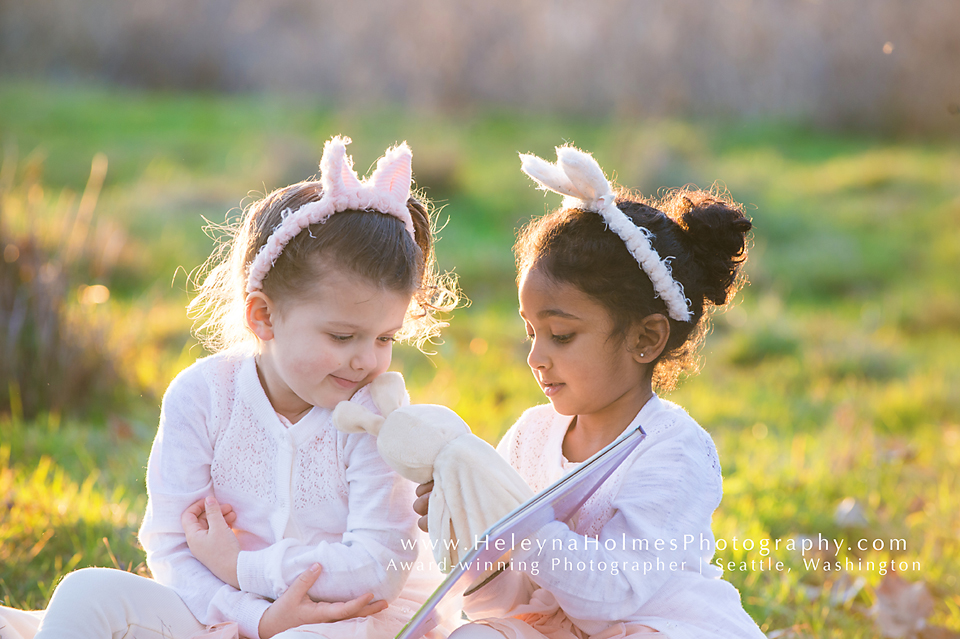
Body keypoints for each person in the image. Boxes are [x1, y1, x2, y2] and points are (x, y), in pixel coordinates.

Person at [0, 136, 457, 639]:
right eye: (342, 336)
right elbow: (172, 546)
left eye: (385, 337)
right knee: (85, 593)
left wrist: (245, 568)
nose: (366, 359)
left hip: (340, 622)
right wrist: (253, 615)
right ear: (264, 316)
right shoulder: (203, 396)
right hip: (216, 614)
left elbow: (377, 570)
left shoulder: (377, 414)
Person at [415, 145, 766, 638]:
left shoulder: (675, 451)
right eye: (530, 332)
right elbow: (503, 599)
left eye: (561, 335)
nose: (536, 357)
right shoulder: (529, 435)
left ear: (646, 338)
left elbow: (614, 596)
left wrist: (519, 525)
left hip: (650, 623)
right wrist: (466, 533)